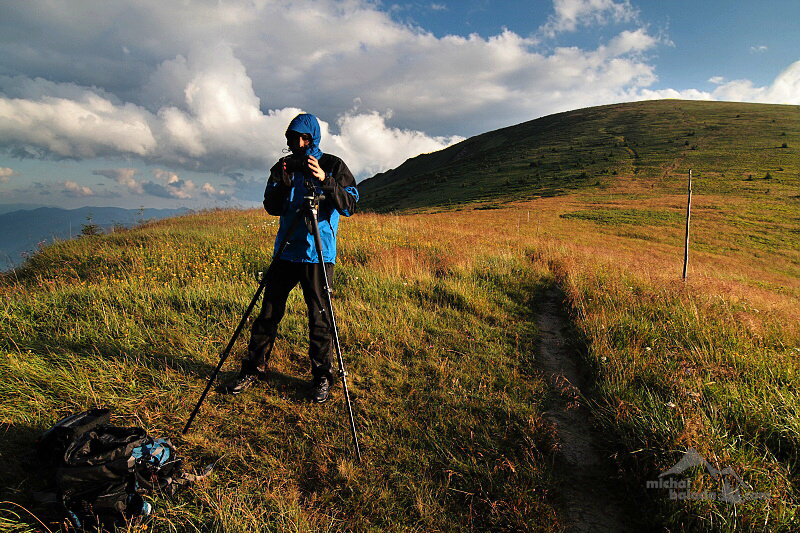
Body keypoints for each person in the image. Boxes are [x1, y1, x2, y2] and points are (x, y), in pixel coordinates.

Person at [222, 113, 358, 402]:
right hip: (285, 251)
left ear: (314, 138)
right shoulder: (283, 166)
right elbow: (271, 206)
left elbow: (350, 206)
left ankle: (322, 377)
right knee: (268, 313)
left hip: (318, 254)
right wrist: (283, 182)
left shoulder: (333, 164)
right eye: (293, 137)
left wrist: (325, 179)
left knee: (320, 317)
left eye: (304, 138)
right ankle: (253, 369)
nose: (298, 143)